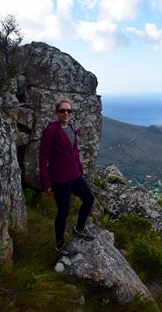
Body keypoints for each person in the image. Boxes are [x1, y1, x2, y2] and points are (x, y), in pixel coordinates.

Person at [39, 99, 95, 256]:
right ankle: (60, 245)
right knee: (64, 211)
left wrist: (80, 171)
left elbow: (75, 152)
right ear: (56, 112)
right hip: (59, 179)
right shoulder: (51, 131)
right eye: (62, 110)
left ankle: (79, 229)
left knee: (89, 199)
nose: (66, 113)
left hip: (74, 175)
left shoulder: (71, 127)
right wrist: (46, 183)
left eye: (69, 111)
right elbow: (43, 157)